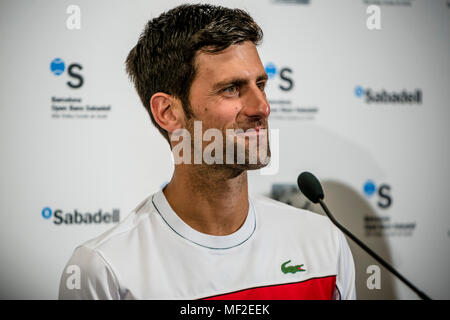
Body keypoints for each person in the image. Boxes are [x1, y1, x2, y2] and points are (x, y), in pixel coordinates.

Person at [58, 3, 356, 300]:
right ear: (168, 112)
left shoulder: (323, 244)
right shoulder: (106, 271)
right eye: (231, 89)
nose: (262, 107)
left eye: (261, 84)